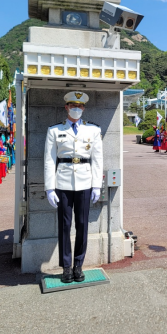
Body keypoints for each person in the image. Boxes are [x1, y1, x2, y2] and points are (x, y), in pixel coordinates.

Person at [44, 91, 103, 283]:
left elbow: (97, 160)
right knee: (64, 225)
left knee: (82, 225)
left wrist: (97, 186)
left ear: (84, 108)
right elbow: (49, 160)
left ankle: (79, 265)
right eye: (72, 106)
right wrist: (49, 188)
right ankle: (66, 267)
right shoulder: (54, 130)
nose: (76, 109)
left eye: (80, 106)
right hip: (63, 183)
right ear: (66, 107)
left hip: (85, 183)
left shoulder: (93, 130)